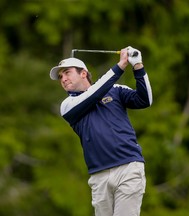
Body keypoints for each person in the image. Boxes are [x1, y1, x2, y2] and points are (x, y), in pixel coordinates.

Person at [49, 46, 152, 216]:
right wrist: (121, 65)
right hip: (99, 177)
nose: (63, 79)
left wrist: (138, 66)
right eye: (60, 76)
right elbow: (94, 94)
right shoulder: (67, 106)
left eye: (67, 73)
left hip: (128, 167)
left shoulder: (116, 90)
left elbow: (145, 99)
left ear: (83, 73)